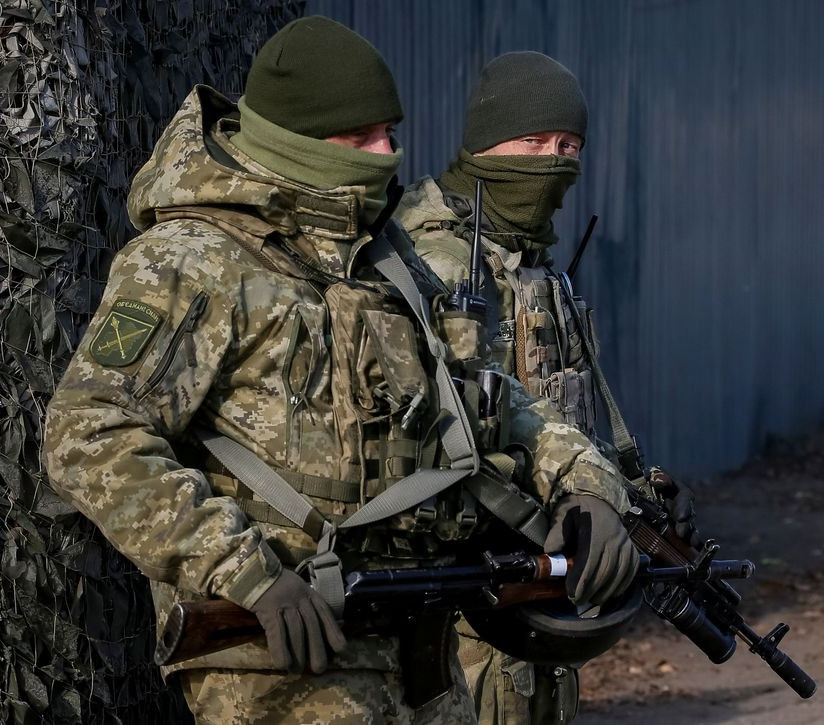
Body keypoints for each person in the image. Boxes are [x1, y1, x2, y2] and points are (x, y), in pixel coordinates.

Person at [44, 23, 639, 724]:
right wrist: (244, 572)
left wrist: (584, 483)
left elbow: (483, 393)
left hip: (421, 647)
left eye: (389, 132)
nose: (388, 154)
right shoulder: (193, 260)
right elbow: (88, 432)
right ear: (296, 138)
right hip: (286, 656)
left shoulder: (383, 258)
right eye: (362, 139)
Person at [395, 51, 697, 724]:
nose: (552, 161)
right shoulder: (429, 260)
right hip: (462, 589)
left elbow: (570, 406)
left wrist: (627, 489)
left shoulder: (532, 267)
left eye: (568, 146)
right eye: (532, 141)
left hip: (543, 578)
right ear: (483, 141)